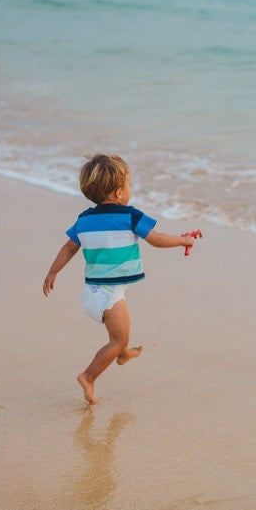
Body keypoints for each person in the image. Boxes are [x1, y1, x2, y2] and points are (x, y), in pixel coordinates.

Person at [43, 154, 197, 405]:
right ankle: (88, 376)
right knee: (118, 339)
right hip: (109, 294)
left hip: (93, 292)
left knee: (119, 336)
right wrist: (183, 240)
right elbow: (156, 239)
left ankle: (123, 353)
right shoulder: (130, 216)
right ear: (117, 193)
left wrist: (53, 271)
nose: (130, 190)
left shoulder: (85, 220)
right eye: (129, 185)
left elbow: (69, 247)